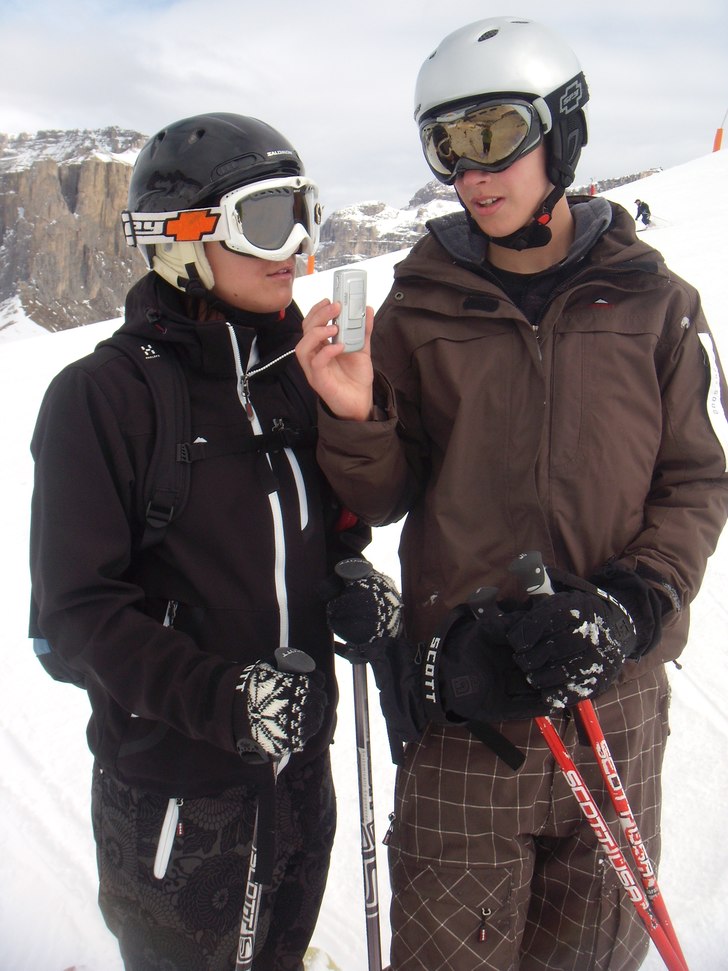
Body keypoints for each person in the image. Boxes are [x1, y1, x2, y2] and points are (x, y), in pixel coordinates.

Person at [296, 17, 728, 971]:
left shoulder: (656, 304)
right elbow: (389, 488)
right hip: (466, 703)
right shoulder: (422, 306)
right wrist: (355, 416)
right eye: (446, 147)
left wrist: (633, 601)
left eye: (492, 136)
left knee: (593, 953)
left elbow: (696, 477)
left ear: (561, 130)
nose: (471, 174)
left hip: (612, 696)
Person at [29, 112, 371, 971]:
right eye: (264, 217)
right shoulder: (101, 398)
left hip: (298, 769)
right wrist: (225, 702)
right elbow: (72, 618)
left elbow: (315, 538)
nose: (294, 243)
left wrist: (353, 579)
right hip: (181, 796)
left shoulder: (291, 376)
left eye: (304, 211)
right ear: (182, 238)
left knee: (279, 954)